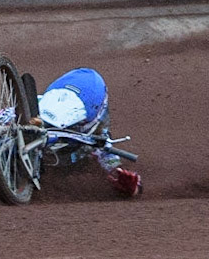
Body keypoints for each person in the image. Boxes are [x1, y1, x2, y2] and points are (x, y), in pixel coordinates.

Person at [37, 67, 142, 197]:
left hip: (61, 167)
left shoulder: (97, 141)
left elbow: (114, 166)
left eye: (75, 124)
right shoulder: (34, 108)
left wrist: (130, 188)